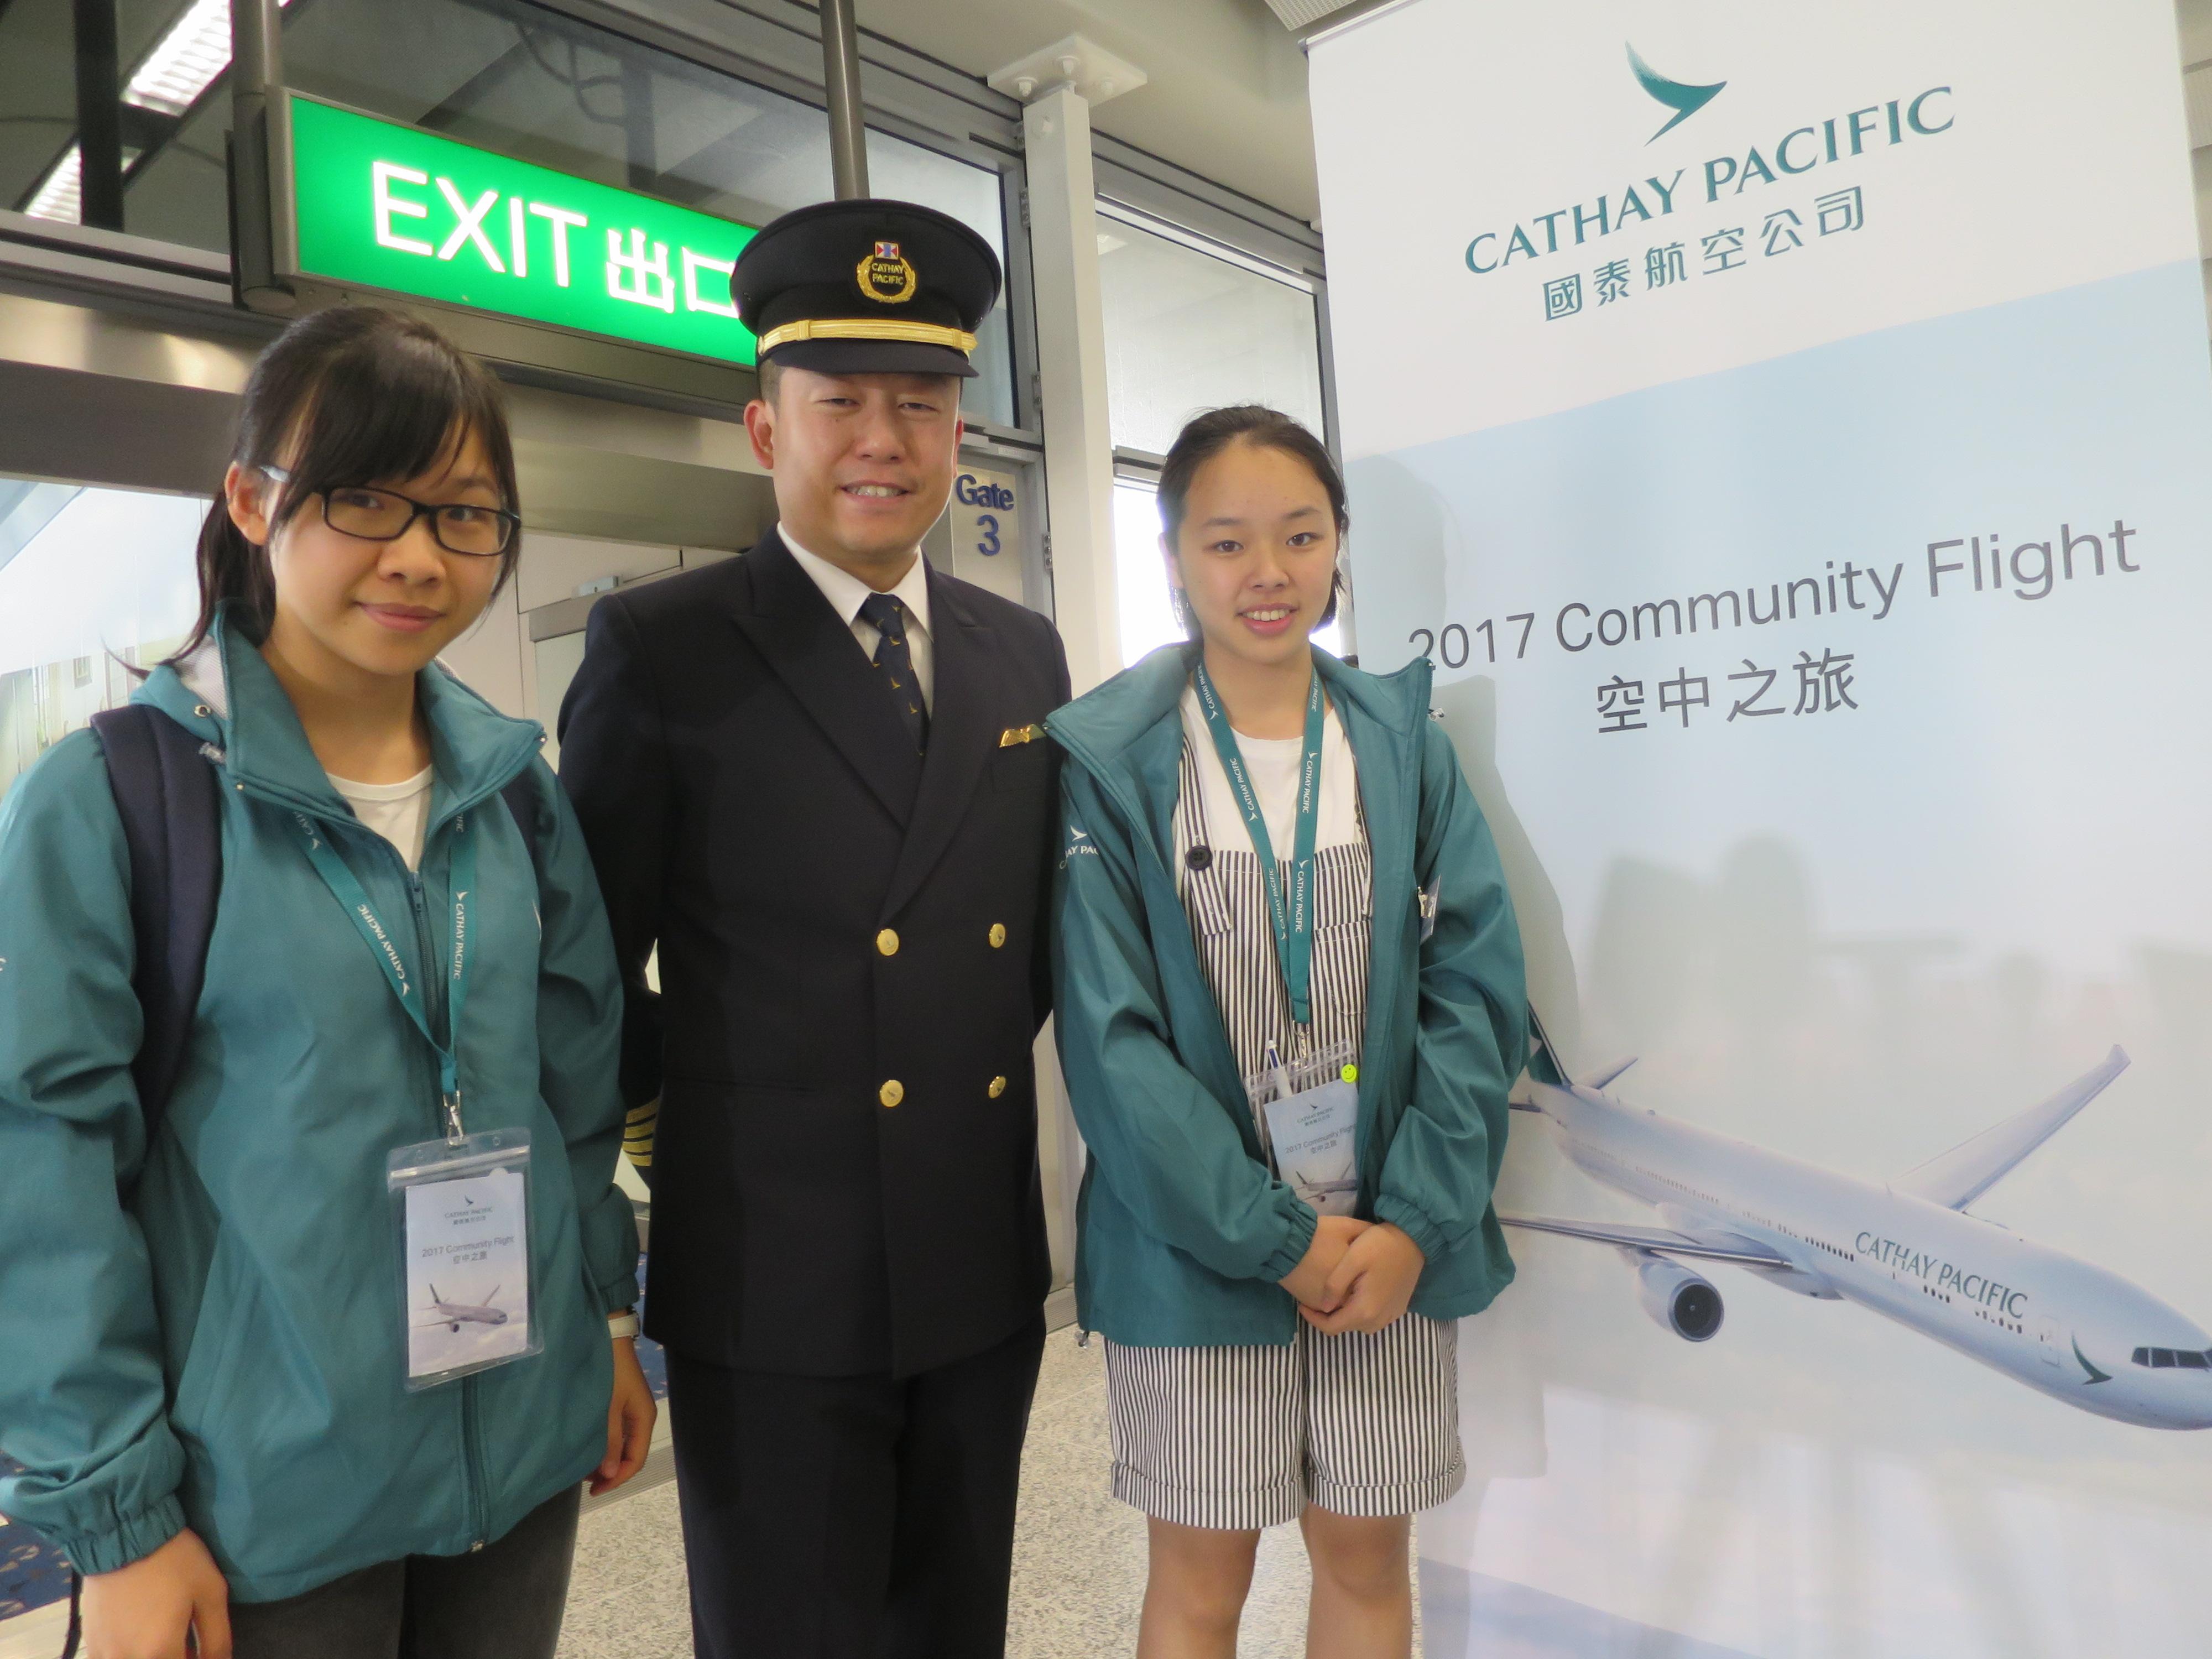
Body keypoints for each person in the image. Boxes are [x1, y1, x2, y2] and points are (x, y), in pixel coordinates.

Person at [0, 305, 653, 1659]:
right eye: (364, 499)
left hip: (519, 1452)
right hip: (258, 1500)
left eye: (463, 514)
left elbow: (576, 1090)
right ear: (252, 501)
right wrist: (120, 1519)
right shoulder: (120, 798)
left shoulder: (515, 794)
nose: (417, 555)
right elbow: (38, 1167)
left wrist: (602, 1316)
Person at [557, 199, 1071, 1658]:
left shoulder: (1020, 651)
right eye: (839, 401)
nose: (882, 441)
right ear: (763, 427)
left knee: (956, 1630)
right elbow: (585, 969)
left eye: (921, 403)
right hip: (770, 1274)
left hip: (975, 1257)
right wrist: (686, 1139)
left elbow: (1029, 940)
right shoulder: (665, 647)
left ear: (959, 431)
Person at [1047, 406, 1526, 1658]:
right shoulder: (1111, 761)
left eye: (1301, 536)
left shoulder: (1403, 748)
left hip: (1383, 1251)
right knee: (1200, 1580)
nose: (1268, 572)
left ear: (1336, 547)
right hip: (1192, 1248)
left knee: (1366, 1560)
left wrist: (1413, 1223)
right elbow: (1111, 1043)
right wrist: (1273, 1239)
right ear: (1173, 560)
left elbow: (1474, 993)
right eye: (1227, 543)